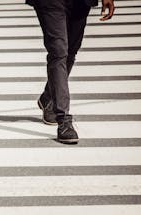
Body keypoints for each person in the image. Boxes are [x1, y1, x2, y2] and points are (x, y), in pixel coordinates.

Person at [26, 0, 115, 143]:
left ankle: (48, 97)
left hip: (80, 3)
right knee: (58, 52)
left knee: (70, 52)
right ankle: (63, 120)